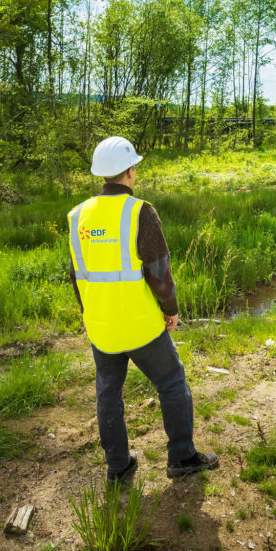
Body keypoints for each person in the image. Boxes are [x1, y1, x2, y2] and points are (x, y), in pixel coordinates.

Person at [67, 135, 219, 485]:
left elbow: (77, 276)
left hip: (101, 326)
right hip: (141, 325)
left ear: (100, 175)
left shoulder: (77, 217)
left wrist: (90, 314)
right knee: (171, 380)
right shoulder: (141, 212)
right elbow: (160, 274)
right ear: (131, 171)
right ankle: (182, 457)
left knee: (108, 391)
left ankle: (118, 467)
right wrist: (172, 309)